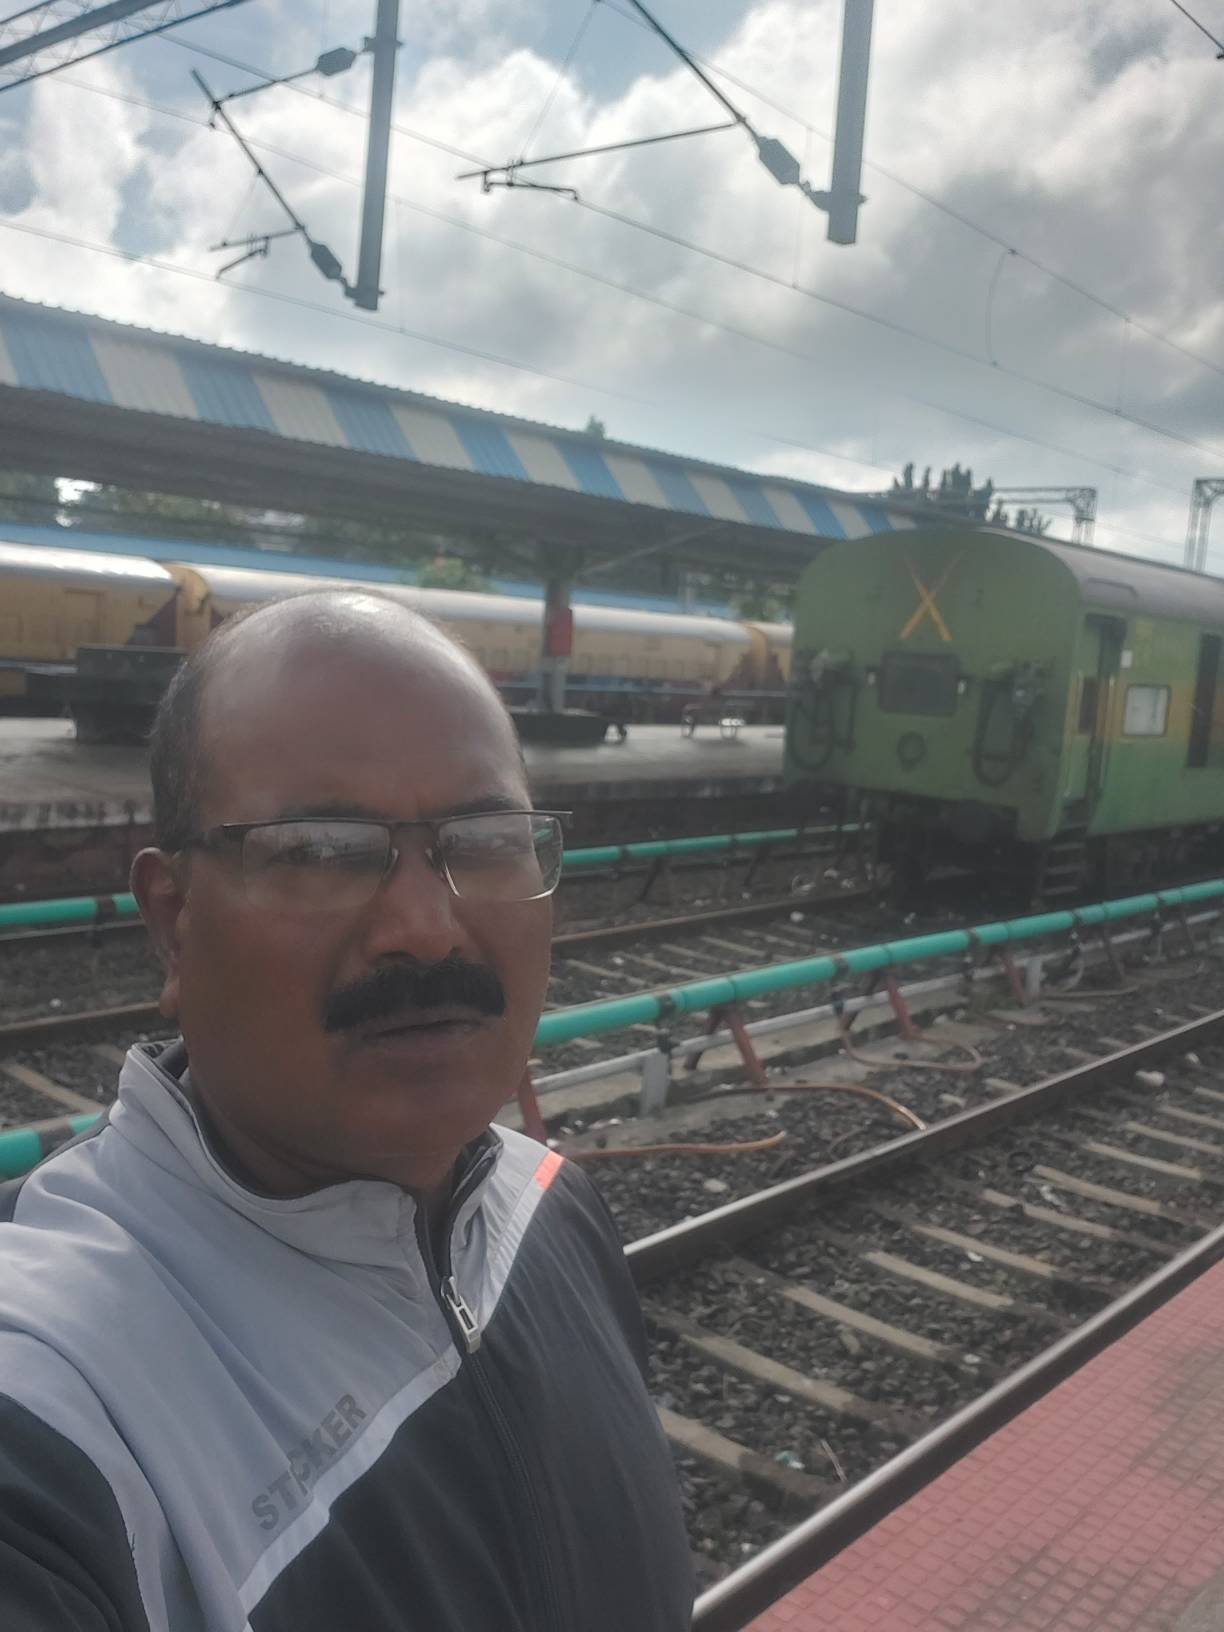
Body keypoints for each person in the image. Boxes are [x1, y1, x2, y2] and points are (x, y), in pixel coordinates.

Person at [0, 591, 694, 1631]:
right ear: (175, 923)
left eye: (486, 838)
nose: (426, 927)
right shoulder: (62, 1401)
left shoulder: (552, 1203)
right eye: (320, 850)